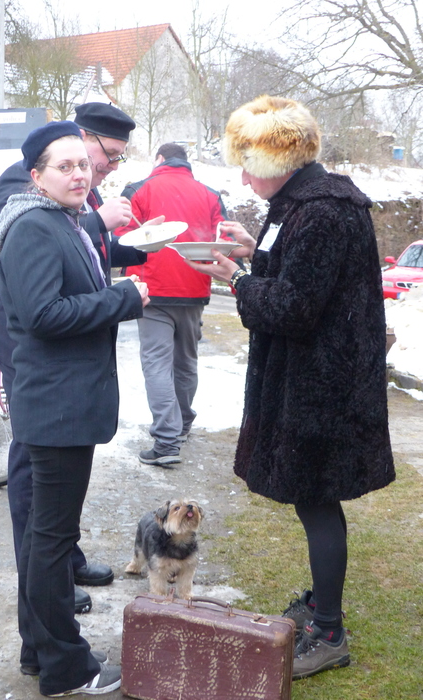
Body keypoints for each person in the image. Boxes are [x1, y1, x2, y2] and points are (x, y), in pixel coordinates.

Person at [187, 94, 395, 680]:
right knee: (315, 497)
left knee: (317, 498)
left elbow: (295, 307)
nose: (243, 178)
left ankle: (328, 630)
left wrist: (236, 278)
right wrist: (255, 253)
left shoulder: (321, 211)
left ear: (274, 162)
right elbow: (300, 278)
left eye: (247, 165)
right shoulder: (303, 203)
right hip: (313, 379)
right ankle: (322, 605)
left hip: (322, 386)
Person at [0, 120, 149, 696]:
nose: (80, 174)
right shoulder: (35, 226)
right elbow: (43, 315)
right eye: (65, 166)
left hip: (63, 404)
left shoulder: (63, 219)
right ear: (37, 176)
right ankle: (66, 666)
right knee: (52, 539)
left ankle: (41, 651)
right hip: (56, 407)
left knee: (47, 536)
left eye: (83, 164)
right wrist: (122, 298)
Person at [114, 143, 227, 467]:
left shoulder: (138, 190)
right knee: (186, 361)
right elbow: (223, 237)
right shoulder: (210, 194)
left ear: (160, 159)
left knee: (157, 364)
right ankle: (183, 424)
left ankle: (166, 440)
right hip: (195, 288)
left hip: (151, 291)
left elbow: (121, 236)